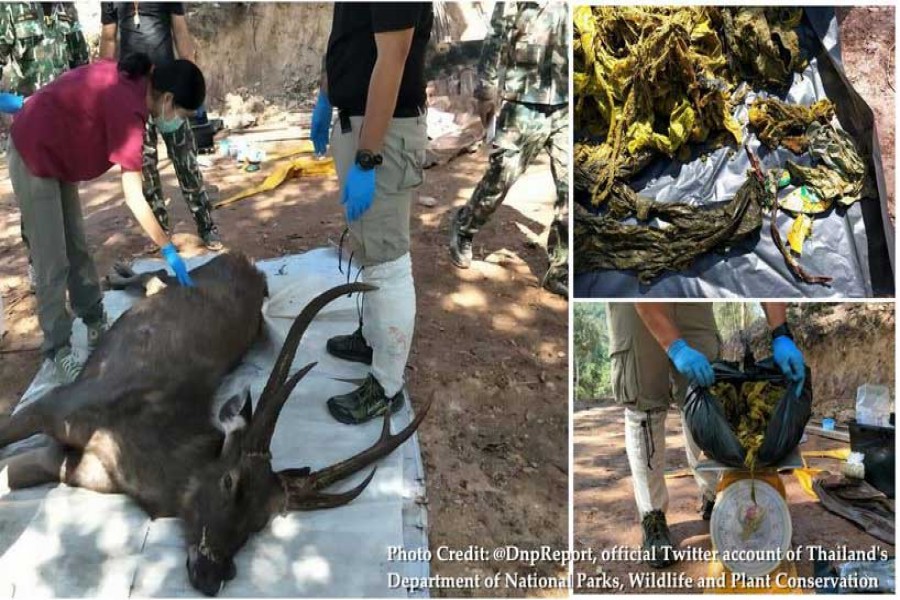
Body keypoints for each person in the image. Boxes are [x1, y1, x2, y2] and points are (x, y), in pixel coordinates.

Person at [9, 53, 201, 382]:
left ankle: (95, 320)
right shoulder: (129, 111)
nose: (178, 122)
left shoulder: (141, 79)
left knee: (76, 246)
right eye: (182, 115)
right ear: (168, 99)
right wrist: (168, 249)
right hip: (33, 149)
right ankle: (58, 350)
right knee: (52, 259)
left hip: (58, 151)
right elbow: (134, 197)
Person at [607, 302, 806, 567]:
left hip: (692, 301)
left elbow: (765, 281)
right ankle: (653, 516)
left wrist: (781, 333)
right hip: (637, 305)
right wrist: (676, 348)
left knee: (707, 395)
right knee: (645, 405)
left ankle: (714, 494)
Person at [310, 3, 432, 425]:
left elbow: (393, 57)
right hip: (361, 124)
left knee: (387, 259)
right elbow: (348, 37)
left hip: (382, 132)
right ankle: (372, 338)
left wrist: (367, 158)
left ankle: (386, 386)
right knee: (369, 246)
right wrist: (326, 96)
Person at [448, 2, 569, 297]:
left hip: (566, 102)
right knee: (501, 175)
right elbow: (497, 34)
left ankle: (561, 268)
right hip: (524, 100)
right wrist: (486, 90)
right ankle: (464, 226)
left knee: (571, 188)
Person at [99, 2, 222, 250]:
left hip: (169, 93)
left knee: (186, 163)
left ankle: (206, 227)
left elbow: (180, 31)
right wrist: (106, 83)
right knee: (145, 169)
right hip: (135, 93)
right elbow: (109, 39)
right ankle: (160, 232)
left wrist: (191, 79)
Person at [0, 2, 90, 287]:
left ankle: (79, 285)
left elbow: (82, 65)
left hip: (64, 128)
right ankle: (37, 260)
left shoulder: (66, 8)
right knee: (37, 205)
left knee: (69, 212)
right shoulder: (10, 8)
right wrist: (13, 103)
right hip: (28, 129)